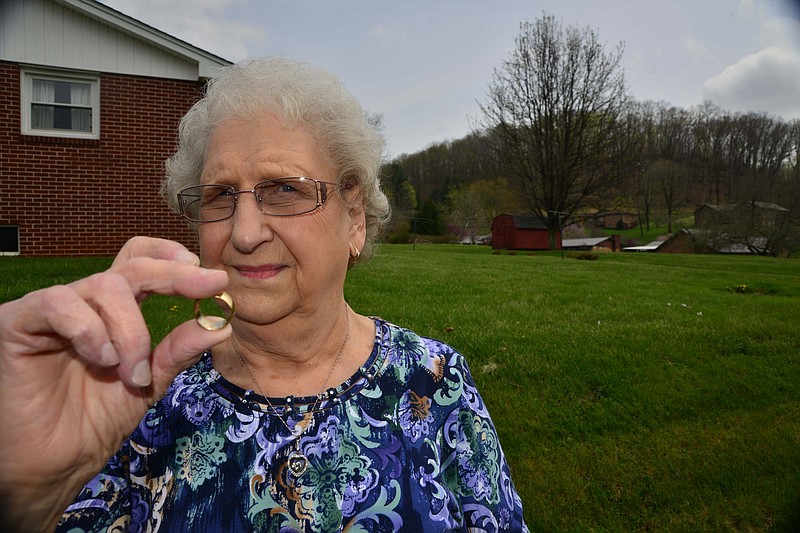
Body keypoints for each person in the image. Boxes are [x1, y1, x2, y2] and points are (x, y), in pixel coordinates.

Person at [0, 57, 527, 532]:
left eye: (284, 189)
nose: (244, 232)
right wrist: (29, 500)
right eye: (220, 195)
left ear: (355, 220)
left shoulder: (434, 385)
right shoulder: (136, 404)